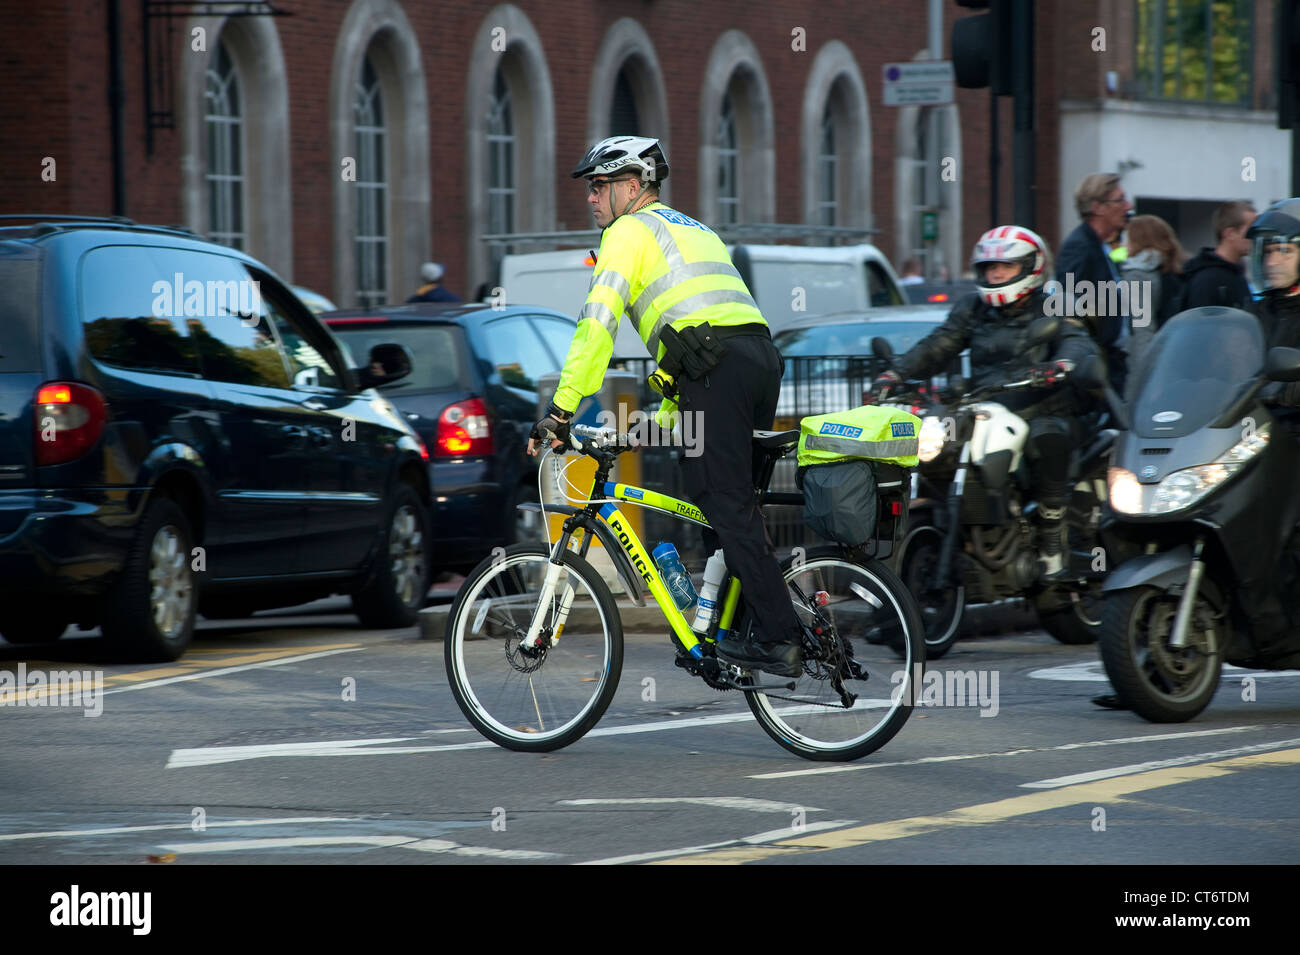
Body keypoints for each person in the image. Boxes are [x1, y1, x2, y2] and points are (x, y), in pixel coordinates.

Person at [527, 135, 805, 678]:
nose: (591, 198)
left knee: (727, 507)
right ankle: (735, 632)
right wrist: (643, 431)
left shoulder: (626, 232)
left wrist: (561, 412)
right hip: (756, 361)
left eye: (600, 185)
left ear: (633, 187)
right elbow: (694, 346)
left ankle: (781, 638)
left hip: (719, 369)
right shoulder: (691, 226)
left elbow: (597, 324)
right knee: (718, 505)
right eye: (589, 187)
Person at [874, 226, 1100, 578]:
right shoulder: (974, 308)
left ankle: (1052, 535)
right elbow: (939, 344)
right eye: (989, 267)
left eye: (1005, 267)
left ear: (1031, 266)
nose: (995, 273)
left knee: (1049, 440)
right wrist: (895, 375)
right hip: (986, 403)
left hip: (1041, 404)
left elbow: (1076, 340)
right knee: (940, 449)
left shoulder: (1054, 303)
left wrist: (1061, 365)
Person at [1057, 173, 1133, 393]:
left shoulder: (1100, 246)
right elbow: (1069, 308)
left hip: (1110, 362)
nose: (1127, 207)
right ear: (1098, 207)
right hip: (1095, 369)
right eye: (1120, 200)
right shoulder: (1079, 247)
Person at [1119, 214, 1187, 396]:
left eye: (1127, 239)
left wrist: (1143, 383)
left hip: (1151, 372)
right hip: (1176, 365)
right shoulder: (1176, 272)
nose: (1124, 245)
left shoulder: (1137, 275)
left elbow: (1143, 332)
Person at [1182, 201, 1257, 310]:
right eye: (1251, 230)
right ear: (1230, 234)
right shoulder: (1206, 280)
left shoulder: (1238, 275)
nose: (1255, 236)